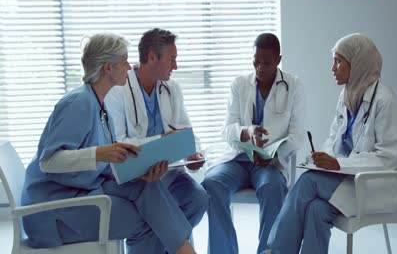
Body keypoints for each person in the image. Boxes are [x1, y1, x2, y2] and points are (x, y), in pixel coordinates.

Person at [21, 33, 197, 254]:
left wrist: (139, 172)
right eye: (124, 62)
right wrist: (99, 153)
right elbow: (49, 161)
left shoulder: (100, 104)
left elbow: (104, 163)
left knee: (147, 186)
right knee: (147, 220)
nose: (129, 67)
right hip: (55, 209)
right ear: (107, 68)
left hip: (84, 189)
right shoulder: (78, 103)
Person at [265, 33, 397, 254]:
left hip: (386, 184)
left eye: (338, 61)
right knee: (317, 209)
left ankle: (276, 251)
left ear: (357, 63)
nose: (332, 68)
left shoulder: (388, 100)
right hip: (355, 179)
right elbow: (334, 139)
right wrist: (321, 158)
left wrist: (337, 164)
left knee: (308, 182)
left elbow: (387, 159)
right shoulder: (347, 95)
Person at [202, 33, 305, 254]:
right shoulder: (239, 84)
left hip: (270, 163)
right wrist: (246, 132)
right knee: (212, 183)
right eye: (256, 61)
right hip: (238, 160)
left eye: (267, 62)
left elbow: (297, 135)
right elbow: (227, 130)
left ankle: (267, 251)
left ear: (278, 59)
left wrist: (274, 155)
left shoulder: (293, 86)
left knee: (273, 187)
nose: (260, 67)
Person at [105, 28, 209, 243]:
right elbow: (118, 142)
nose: (176, 66)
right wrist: (160, 142)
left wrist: (193, 153)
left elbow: (186, 131)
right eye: (172, 59)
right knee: (153, 220)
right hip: (136, 177)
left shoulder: (172, 89)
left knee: (198, 199)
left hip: (168, 172)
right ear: (152, 57)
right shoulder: (118, 91)